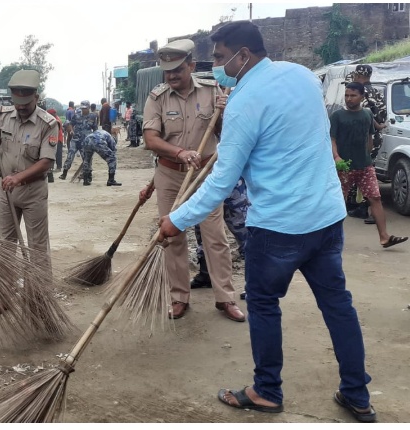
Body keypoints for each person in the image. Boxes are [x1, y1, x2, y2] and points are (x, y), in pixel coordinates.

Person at [158, 21, 376, 422]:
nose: (219, 66)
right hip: (326, 218)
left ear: (243, 54)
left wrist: (176, 219)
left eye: (222, 57)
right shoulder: (301, 75)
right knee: (337, 304)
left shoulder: (245, 101)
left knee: (262, 303)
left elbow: (222, 179)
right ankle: (357, 394)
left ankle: (267, 391)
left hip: (278, 226)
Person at [140, 39, 243, 323]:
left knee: (215, 235)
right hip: (170, 173)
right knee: (172, 236)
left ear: (191, 66)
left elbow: (225, 134)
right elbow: (151, 139)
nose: (172, 76)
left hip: (205, 175)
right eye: (167, 72)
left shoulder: (213, 91)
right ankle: (179, 297)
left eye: (177, 70)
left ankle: (225, 298)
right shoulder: (157, 97)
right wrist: (180, 153)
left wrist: (226, 111)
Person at [0, 69, 57, 314]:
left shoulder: (49, 124)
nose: (21, 107)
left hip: (33, 191)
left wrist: (18, 178)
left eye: (26, 102)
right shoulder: (2, 117)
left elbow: (46, 162)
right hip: (6, 192)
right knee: (6, 245)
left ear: (36, 96)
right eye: (17, 102)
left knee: (36, 246)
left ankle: (40, 297)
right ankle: (4, 297)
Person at [331, 82, 407, 249]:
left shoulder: (366, 115)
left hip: (365, 166)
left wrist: (367, 156)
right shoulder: (337, 117)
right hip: (344, 168)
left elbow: (369, 140)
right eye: (347, 95)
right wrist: (336, 157)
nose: (349, 98)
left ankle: (384, 237)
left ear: (362, 97)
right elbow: (332, 140)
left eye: (353, 95)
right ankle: (330, 240)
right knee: (338, 203)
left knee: (376, 198)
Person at [190, 177, 249, 289]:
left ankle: (254, 283)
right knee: (203, 228)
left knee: (243, 230)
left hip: (231, 179)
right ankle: (206, 274)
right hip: (204, 183)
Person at [347, 65, 386, 224]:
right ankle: (361, 206)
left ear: (357, 75)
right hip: (377, 137)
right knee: (367, 170)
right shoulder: (378, 91)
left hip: (364, 137)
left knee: (362, 172)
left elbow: (360, 116)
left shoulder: (361, 93)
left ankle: (364, 208)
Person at [59, 100, 95, 180]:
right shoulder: (76, 115)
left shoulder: (93, 117)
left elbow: (95, 129)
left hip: (85, 142)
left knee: (86, 159)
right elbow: (71, 124)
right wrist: (71, 130)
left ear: (88, 107)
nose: (83, 110)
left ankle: (88, 175)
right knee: (70, 156)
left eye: (85, 108)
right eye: (82, 108)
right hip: (75, 140)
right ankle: (64, 173)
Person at [47, 108, 64, 174]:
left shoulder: (56, 121)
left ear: (52, 114)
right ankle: (55, 167)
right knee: (55, 153)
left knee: (57, 154)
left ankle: (58, 167)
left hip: (57, 139)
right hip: (57, 139)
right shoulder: (57, 119)